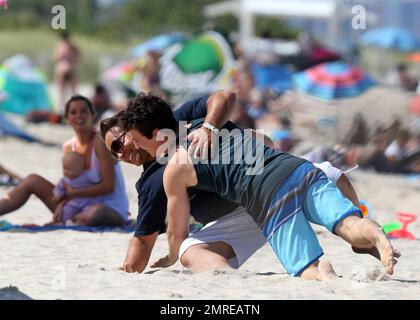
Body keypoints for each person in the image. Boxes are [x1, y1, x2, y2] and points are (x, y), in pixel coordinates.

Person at [120, 92, 400, 280]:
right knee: (350, 224)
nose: (136, 147)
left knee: (310, 267)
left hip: (268, 199)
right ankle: (372, 231)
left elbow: (177, 234)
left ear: (156, 134)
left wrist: (170, 257)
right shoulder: (208, 125)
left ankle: (324, 270)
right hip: (297, 169)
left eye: (136, 140)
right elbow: (263, 141)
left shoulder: (174, 168)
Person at [0, 95, 129, 226]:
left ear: (92, 115)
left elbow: (108, 186)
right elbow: (68, 184)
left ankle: (71, 220)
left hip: (107, 207)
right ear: (67, 119)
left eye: (84, 111)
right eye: (73, 112)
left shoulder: (100, 142)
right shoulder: (68, 146)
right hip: (76, 205)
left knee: (92, 214)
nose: (79, 116)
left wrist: (73, 194)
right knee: (32, 180)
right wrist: (63, 202)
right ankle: (70, 220)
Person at [52, 152, 104, 224]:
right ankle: (65, 222)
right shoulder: (65, 179)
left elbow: (98, 179)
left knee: (88, 211)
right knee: (66, 211)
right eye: (64, 169)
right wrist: (57, 195)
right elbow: (59, 187)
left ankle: (76, 221)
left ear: (81, 168)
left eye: (69, 169)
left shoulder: (87, 175)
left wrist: (99, 177)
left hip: (88, 201)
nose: (66, 172)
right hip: (74, 202)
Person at [53, 31, 80, 112]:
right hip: (70, 68)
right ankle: (74, 107)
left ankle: (61, 108)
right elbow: (78, 59)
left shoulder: (59, 46)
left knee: (61, 91)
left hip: (61, 69)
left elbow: (56, 58)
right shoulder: (73, 47)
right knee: (73, 91)